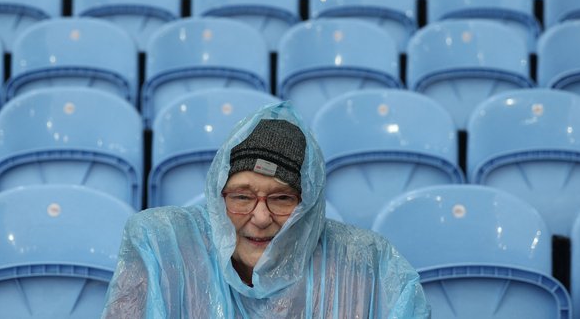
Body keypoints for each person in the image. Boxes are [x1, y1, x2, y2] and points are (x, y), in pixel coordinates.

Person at [101, 101, 430, 318]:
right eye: (242, 197)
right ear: (219, 199)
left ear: (309, 207)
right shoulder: (163, 249)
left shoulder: (366, 265)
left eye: (282, 199)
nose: (260, 218)